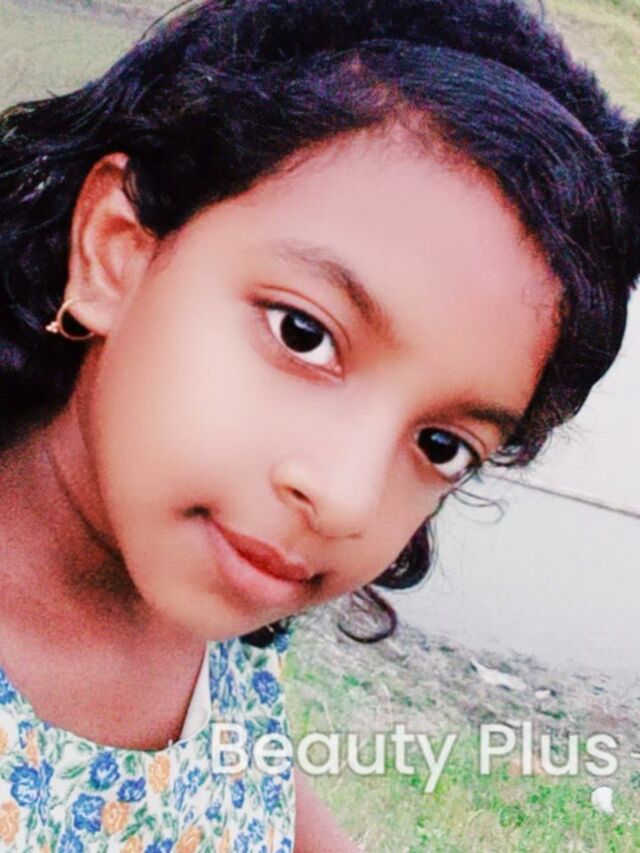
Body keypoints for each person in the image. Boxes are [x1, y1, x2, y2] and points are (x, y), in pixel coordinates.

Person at [0, 0, 637, 849]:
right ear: (116, 251)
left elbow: (240, 776)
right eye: (303, 333)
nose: (346, 498)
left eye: (442, 445)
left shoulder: (214, 602)